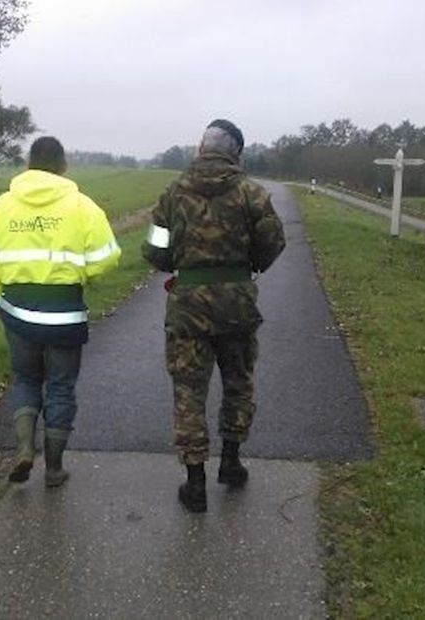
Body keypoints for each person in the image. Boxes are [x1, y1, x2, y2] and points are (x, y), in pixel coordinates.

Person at [142, 119, 286, 513]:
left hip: (187, 308)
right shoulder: (252, 193)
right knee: (238, 383)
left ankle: (194, 483)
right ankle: (231, 462)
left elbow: (154, 250)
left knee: (189, 391)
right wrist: (247, 267)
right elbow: (275, 242)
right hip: (237, 306)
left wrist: (179, 264)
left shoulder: (172, 194)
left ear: (201, 148)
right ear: (236, 152)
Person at [0, 137, 121, 487]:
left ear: (28, 164)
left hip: (17, 311)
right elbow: (109, 256)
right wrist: (84, 275)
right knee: (61, 387)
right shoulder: (82, 206)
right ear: (63, 165)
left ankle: (24, 448)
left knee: (25, 380)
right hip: (65, 314)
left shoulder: (3, 206)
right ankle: (53, 468)